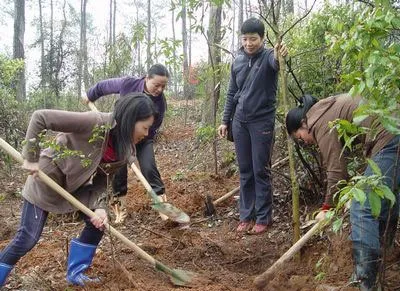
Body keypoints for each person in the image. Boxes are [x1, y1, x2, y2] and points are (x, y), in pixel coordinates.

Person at [0, 93, 157, 287]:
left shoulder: (124, 149)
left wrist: (99, 206)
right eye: (145, 127)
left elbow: (102, 180)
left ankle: (76, 273)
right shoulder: (96, 122)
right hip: (46, 181)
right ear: (131, 120)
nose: (146, 134)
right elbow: (40, 117)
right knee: (27, 238)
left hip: (74, 187)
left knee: (99, 222)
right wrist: (31, 158)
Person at [286, 93, 399, 290]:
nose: (305, 142)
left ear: (303, 124)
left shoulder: (319, 122)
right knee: (387, 199)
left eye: (300, 138)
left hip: (390, 137)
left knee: (361, 207)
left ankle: (366, 284)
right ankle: (384, 262)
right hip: (393, 131)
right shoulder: (327, 108)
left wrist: (327, 207)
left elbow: (337, 170)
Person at [217, 18, 288, 234]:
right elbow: (231, 93)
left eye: (253, 39)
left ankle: (264, 217)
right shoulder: (237, 60)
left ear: (262, 39)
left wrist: (281, 55)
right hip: (239, 122)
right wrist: (224, 120)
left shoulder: (268, 57)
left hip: (262, 122)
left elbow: (278, 64)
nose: (249, 43)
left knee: (261, 169)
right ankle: (246, 215)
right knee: (245, 170)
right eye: (245, 39)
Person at [83, 64, 169, 222]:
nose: (159, 89)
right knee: (118, 172)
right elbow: (105, 86)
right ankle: (120, 210)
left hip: (143, 138)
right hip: (120, 135)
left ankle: (163, 205)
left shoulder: (160, 102)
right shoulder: (128, 84)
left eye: (163, 86)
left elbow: (153, 127)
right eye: (156, 85)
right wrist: (90, 94)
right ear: (146, 78)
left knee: (149, 167)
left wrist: (136, 142)